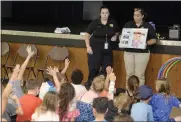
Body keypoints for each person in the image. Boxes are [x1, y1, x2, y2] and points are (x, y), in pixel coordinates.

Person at [85, 5, 120, 89]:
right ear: (100, 14)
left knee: (107, 70)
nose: (105, 15)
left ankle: (103, 89)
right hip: (95, 49)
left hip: (107, 50)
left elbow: (118, 32)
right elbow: (87, 35)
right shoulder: (95, 22)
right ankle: (89, 88)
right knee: (93, 70)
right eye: (103, 13)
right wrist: (88, 46)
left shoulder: (112, 22)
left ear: (109, 14)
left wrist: (116, 36)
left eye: (106, 13)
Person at [123, 8, 157, 86]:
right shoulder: (128, 24)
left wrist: (146, 43)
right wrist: (122, 38)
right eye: (134, 15)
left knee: (139, 75)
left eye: (138, 15)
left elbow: (154, 40)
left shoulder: (148, 26)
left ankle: (139, 96)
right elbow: (123, 36)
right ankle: (129, 94)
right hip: (129, 52)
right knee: (129, 75)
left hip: (142, 53)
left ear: (142, 16)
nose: (135, 17)